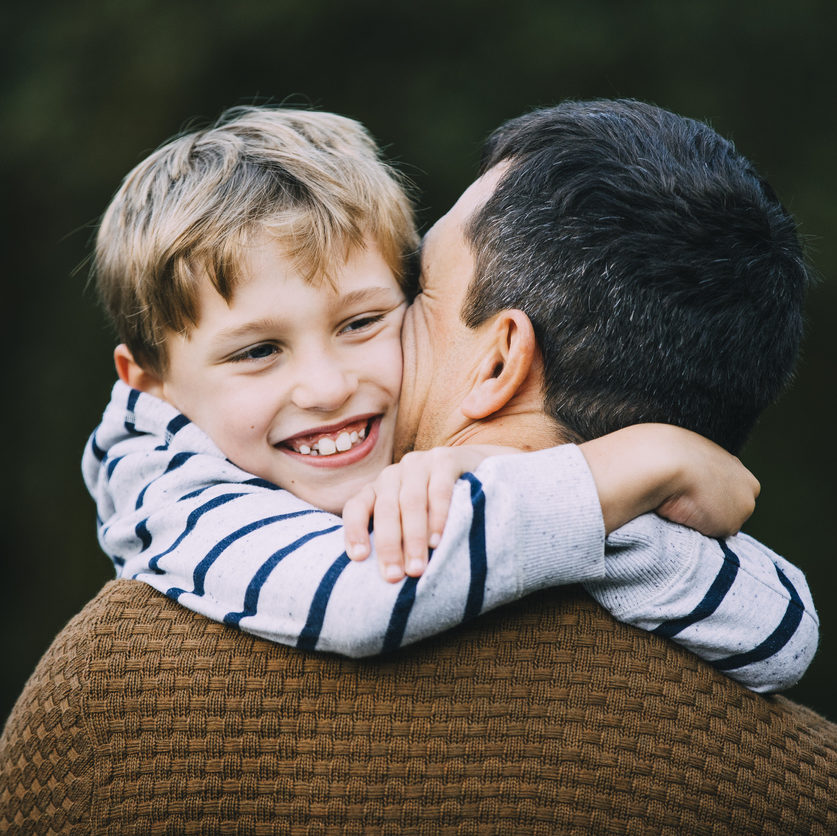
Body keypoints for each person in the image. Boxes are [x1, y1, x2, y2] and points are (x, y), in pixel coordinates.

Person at [2, 99, 835, 834]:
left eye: (379, 315)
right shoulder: (171, 484)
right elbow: (363, 593)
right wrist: (626, 470)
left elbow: (780, 628)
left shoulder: (104, 702)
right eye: (257, 351)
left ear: (501, 356)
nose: (328, 386)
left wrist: (514, 484)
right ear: (150, 379)